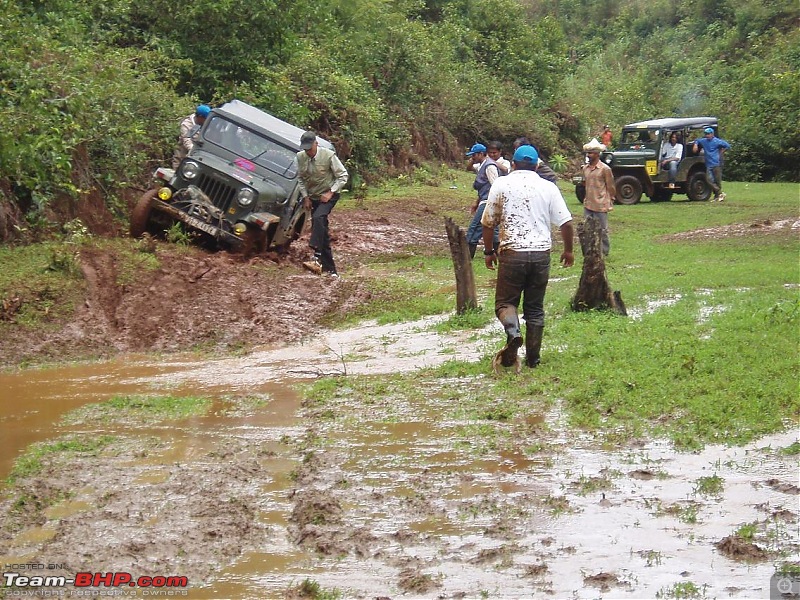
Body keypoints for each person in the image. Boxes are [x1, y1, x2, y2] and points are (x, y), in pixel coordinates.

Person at [481, 144, 574, 369]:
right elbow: (566, 223)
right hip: (541, 254)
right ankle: (534, 358)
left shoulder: (502, 184)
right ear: (536, 165)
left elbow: (488, 222)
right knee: (535, 308)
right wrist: (568, 250)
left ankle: (513, 333)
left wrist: (488, 251)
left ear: (513, 164)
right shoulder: (548, 187)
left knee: (505, 302)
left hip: (512, 253)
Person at [296, 130, 349, 278]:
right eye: (305, 149)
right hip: (313, 197)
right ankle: (331, 270)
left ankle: (316, 254)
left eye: (310, 148)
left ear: (316, 144)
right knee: (322, 231)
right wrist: (305, 197)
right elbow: (300, 179)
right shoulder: (300, 157)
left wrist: (330, 192)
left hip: (329, 195)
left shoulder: (328, 155)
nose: (308, 152)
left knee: (318, 218)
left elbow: (343, 176)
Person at [465, 143, 501, 259]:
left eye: (474, 155)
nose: (472, 158)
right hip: (486, 201)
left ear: (481, 154)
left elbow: (496, 186)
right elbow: (468, 167)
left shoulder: (490, 166)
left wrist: (493, 205)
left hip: (488, 202)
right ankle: (501, 255)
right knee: (494, 231)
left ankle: (467, 257)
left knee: (474, 228)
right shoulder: (482, 165)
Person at [581, 138, 615, 256]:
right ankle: (589, 251)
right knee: (587, 229)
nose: (588, 155)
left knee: (602, 229)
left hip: (601, 203)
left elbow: (610, 186)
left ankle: (604, 251)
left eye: (590, 153)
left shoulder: (605, 169)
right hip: (588, 203)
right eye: (587, 153)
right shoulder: (585, 169)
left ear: (597, 154)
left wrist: (611, 199)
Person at [693, 127, 731, 202]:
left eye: (708, 134)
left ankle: (717, 196)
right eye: (706, 134)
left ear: (712, 134)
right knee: (709, 179)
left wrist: (721, 152)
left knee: (717, 180)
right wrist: (696, 145)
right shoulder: (704, 141)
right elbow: (697, 140)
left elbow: (727, 145)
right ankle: (720, 193)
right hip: (709, 164)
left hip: (716, 163)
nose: (707, 135)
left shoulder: (717, 141)